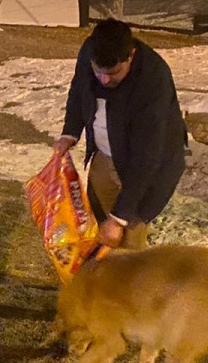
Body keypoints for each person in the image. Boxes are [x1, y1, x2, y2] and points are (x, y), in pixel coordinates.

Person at [54, 19, 187, 249]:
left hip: (147, 168)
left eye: (113, 73)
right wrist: (70, 132)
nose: (104, 80)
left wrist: (119, 218)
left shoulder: (153, 78)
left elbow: (147, 156)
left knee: (129, 235)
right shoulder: (90, 52)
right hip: (106, 155)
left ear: (131, 56)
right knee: (98, 222)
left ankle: (129, 279)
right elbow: (79, 90)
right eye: (99, 72)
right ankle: (102, 272)